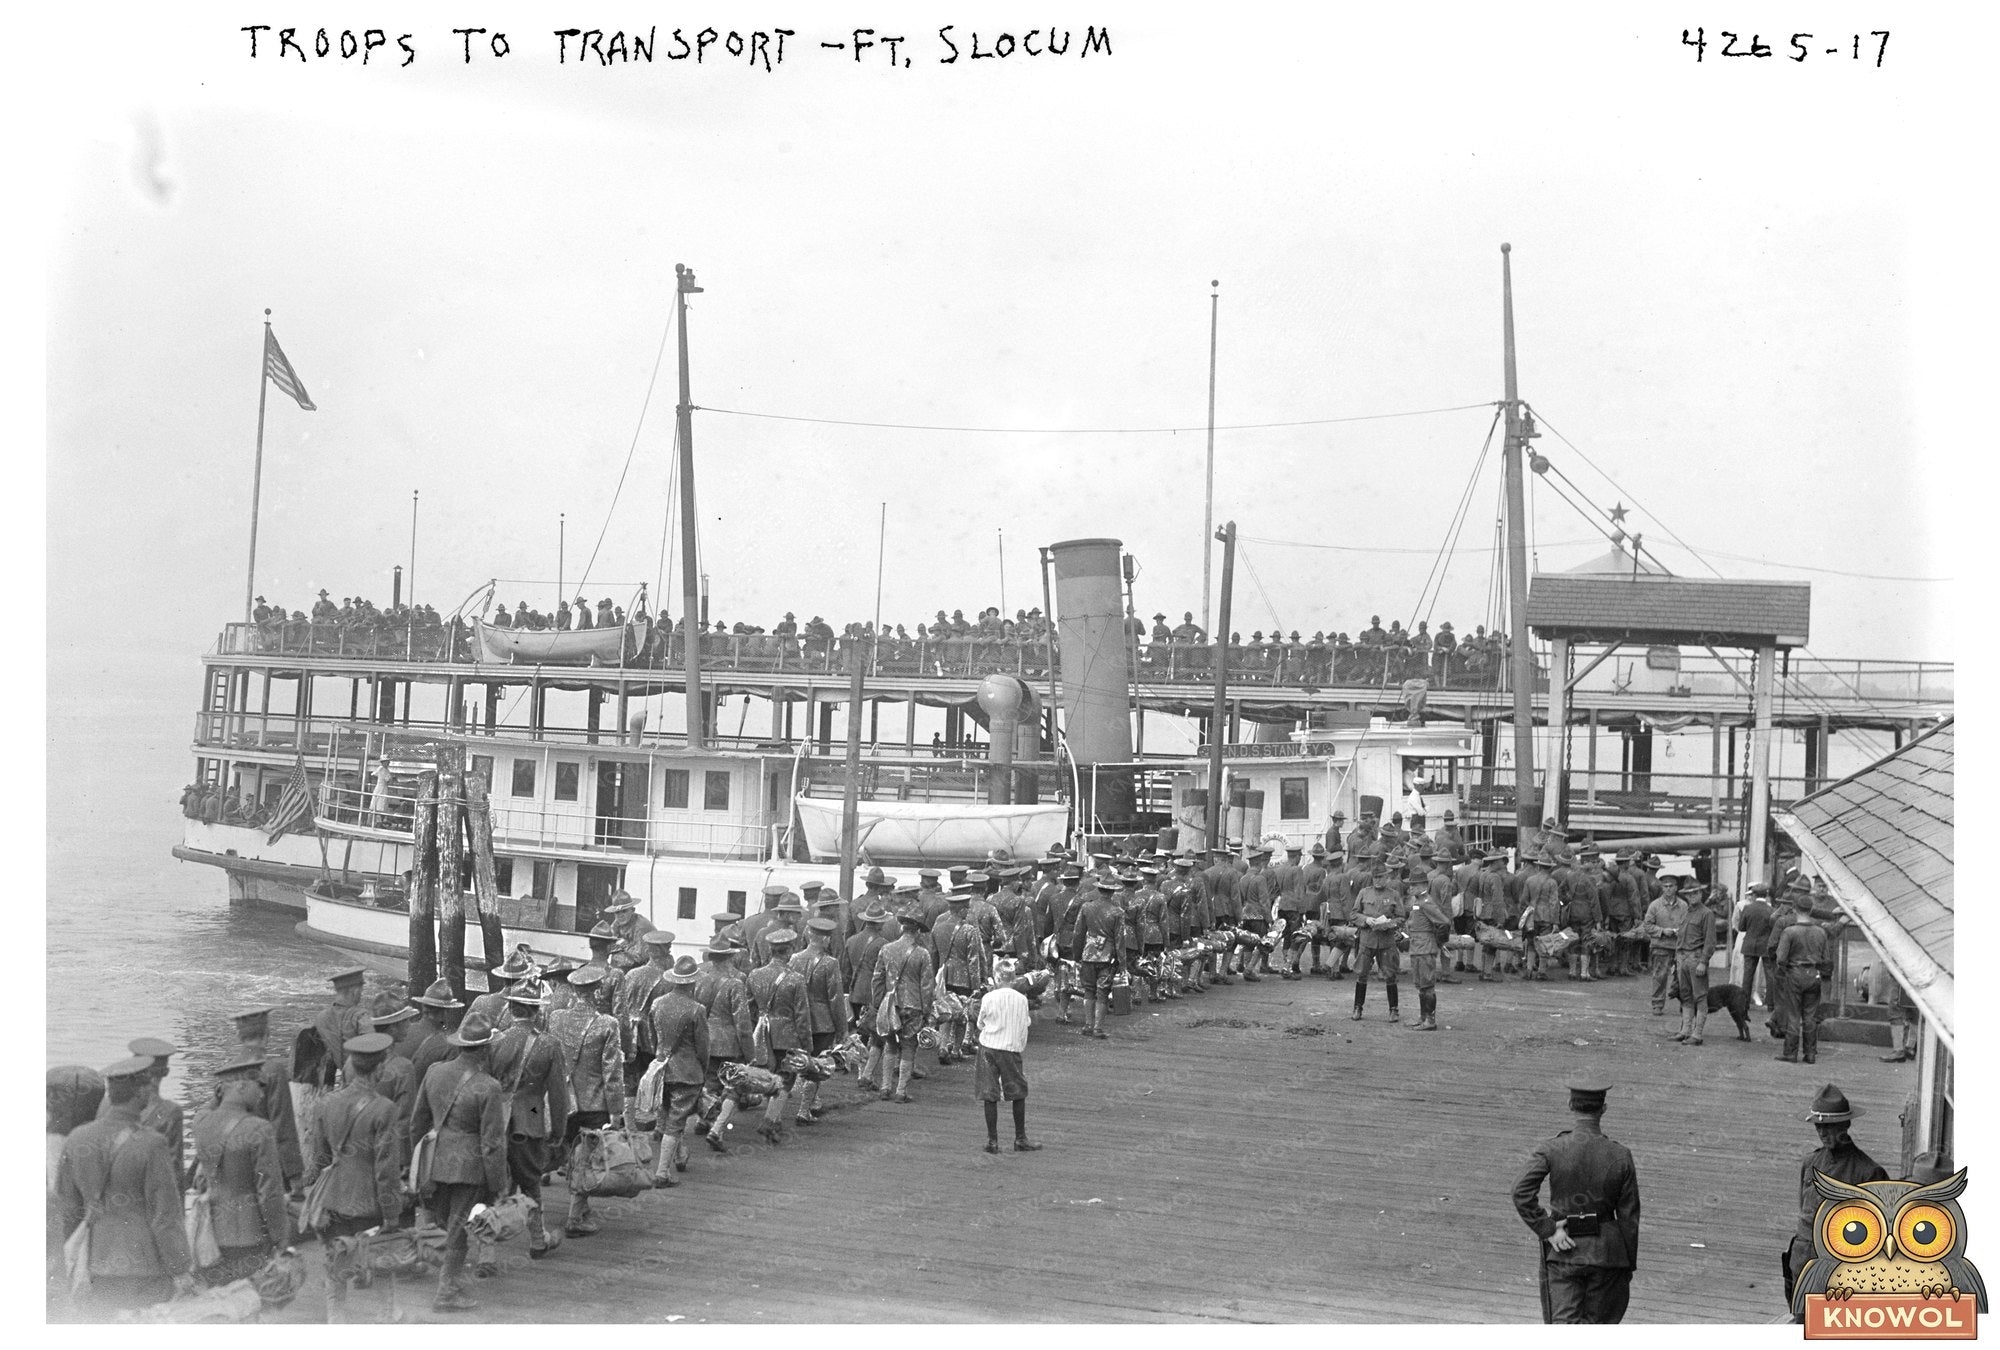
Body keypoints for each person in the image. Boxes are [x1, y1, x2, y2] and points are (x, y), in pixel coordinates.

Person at [57, 1055, 194, 1314]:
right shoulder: (152, 1144)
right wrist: (181, 1267)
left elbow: (67, 1212)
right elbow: (165, 1217)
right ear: (142, 1091)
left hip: (96, 1264)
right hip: (145, 1268)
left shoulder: (76, 1138)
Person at [1512, 1081, 1641, 1324]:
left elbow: (1520, 1190)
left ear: (1570, 1105)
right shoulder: (1620, 1155)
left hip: (1564, 1249)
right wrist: (1627, 1265)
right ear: (1604, 1109)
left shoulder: (1552, 1148)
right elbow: (1629, 1216)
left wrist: (1547, 1228)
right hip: (1607, 1253)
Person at [410, 1011, 506, 1313]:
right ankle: (446, 1293)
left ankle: (442, 1278)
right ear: (485, 1049)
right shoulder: (489, 1086)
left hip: (435, 1160)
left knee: (441, 1223)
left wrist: (418, 1159)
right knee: (457, 1231)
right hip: (468, 1168)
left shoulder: (435, 1072)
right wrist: (497, 1184)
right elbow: (492, 1143)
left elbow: (417, 1122)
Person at [308, 1032, 406, 1322]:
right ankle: (385, 1319)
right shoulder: (384, 1109)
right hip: (369, 1204)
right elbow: (385, 1169)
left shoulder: (325, 1104)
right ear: (379, 1069)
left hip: (333, 1200)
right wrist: (392, 1214)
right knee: (379, 1264)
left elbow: (320, 1159)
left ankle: (335, 1323)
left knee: (336, 1264)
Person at [1783, 1084, 1887, 1309]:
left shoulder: (1868, 1172)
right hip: (1802, 1263)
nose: (1823, 1132)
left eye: (1830, 1126)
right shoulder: (1811, 1163)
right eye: (1819, 1126)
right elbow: (1803, 1210)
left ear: (1846, 1124)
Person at [488, 979, 570, 1261]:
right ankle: (537, 1239)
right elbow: (558, 1095)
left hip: (496, 1120)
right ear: (537, 1011)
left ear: (510, 1009)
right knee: (531, 1181)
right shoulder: (549, 1044)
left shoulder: (494, 1040)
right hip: (530, 1117)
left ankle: (487, 1249)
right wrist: (558, 1130)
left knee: (495, 1183)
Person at [191, 1052, 290, 1284]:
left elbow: (212, 1107)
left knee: (218, 1303)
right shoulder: (259, 1128)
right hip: (249, 1234)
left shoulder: (201, 1121)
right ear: (243, 1086)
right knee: (249, 1301)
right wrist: (280, 1236)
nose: (262, 1094)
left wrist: (221, 1094)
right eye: (259, 1086)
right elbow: (270, 1192)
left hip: (208, 1233)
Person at [548, 966, 624, 1221]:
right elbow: (612, 1072)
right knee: (585, 1157)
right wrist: (616, 1111)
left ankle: (578, 1206)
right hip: (594, 1102)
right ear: (599, 990)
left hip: (563, 1100)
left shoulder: (555, 1017)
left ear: (573, 990)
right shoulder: (608, 1024)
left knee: (570, 1150)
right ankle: (574, 1216)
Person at [745, 926, 811, 1145]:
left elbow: (750, 1008)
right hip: (787, 1034)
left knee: (771, 1076)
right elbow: (801, 1015)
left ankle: (776, 1119)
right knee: (786, 1079)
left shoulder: (755, 975)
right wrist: (807, 1044)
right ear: (789, 950)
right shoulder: (796, 979)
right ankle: (770, 1120)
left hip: (762, 1033)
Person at [646, 956, 709, 1184]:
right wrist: (703, 1070)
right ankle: (662, 1172)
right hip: (687, 1072)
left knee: (670, 1113)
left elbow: (653, 1038)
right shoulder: (697, 1009)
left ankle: (680, 1155)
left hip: (662, 1069)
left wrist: (660, 1057)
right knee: (676, 1119)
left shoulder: (657, 1004)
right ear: (692, 983)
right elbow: (703, 1048)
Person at [975, 960, 1043, 1154]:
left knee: (990, 1094)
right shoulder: (1021, 999)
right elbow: (1026, 1023)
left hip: (989, 1047)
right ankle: (1020, 1138)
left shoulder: (989, 997)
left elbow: (980, 1023)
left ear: (997, 977)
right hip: (1011, 1049)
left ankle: (992, 1141)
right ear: (1013, 979)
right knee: (1018, 1092)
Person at [790, 916, 848, 1126]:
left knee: (803, 1060)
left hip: (798, 1019)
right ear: (825, 940)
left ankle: (812, 1101)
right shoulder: (830, 963)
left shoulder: (794, 959)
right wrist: (842, 1029)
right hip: (822, 1022)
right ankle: (804, 1110)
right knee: (816, 1066)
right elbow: (835, 998)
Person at [872, 912, 936, 1101]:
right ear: (916, 932)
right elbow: (927, 986)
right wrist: (927, 1011)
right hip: (913, 1005)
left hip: (890, 1004)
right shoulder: (922, 953)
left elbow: (878, 978)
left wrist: (878, 1003)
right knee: (909, 1046)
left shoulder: (886, 949)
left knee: (890, 1043)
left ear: (902, 928)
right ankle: (901, 1091)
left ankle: (885, 1087)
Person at [1772, 887, 1832, 1064]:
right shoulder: (1821, 932)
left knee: (1793, 1015)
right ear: (1811, 909)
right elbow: (1826, 958)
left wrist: (1785, 969)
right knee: (1810, 1015)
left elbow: (1780, 958)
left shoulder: (1790, 932)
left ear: (1795, 909)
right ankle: (1810, 1053)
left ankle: (1790, 1053)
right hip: (1814, 974)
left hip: (1794, 973)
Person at [1074, 876, 1128, 1040]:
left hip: (1088, 953)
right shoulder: (1117, 912)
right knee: (1102, 992)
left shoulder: (1086, 907)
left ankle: (1088, 1025)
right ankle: (1098, 1027)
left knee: (1088, 990)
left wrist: (1077, 954)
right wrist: (1122, 962)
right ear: (1112, 892)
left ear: (1099, 889)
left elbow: (1078, 933)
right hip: (1107, 956)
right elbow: (1120, 939)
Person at [1351, 860, 1406, 1022]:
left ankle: (1394, 1010)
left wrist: (1388, 924)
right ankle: (1357, 1008)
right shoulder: (1364, 893)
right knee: (1361, 974)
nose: (1378, 880)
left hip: (1386, 941)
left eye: (1381, 877)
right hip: (1367, 940)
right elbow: (1354, 914)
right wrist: (1366, 920)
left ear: (1387, 877)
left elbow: (1401, 917)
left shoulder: (1393, 894)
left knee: (1390, 975)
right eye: (1375, 877)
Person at [1405, 864, 1453, 1031]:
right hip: (1417, 947)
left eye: (1415, 885)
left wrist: (1438, 941)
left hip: (1425, 947)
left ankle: (1430, 1020)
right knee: (1420, 984)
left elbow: (1444, 922)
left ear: (1424, 885)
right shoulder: (1418, 901)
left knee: (1427, 985)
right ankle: (1423, 1016)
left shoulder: (1426, 902)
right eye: (1410, 885)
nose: (1411, 888)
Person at [1672, 881, 1718, 1046]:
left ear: (1701, 893)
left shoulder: (1707, 914)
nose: (1692, 896)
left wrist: (1703, 962)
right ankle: (1685, 1030)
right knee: (1685, 995)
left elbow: (1710, 941)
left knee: (1699, 996)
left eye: (1695, 893)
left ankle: (1697, 1034)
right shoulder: (1686, 913)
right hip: (1682, 958)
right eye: (1689, 894)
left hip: (1696, 958)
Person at [1640, 873, 1690, 1016]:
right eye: (1665, 886)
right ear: (1662, 888)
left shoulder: (1683, 905)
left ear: (1676, 888)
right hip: (1660, 946)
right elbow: (1647, 926)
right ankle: (1657, 1003)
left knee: (1682, 976)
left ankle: (1684, 1004)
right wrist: (1662, 931)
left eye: (1671, 886)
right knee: (1659, 975)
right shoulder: (1655, 906)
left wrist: (1681, 931)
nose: (1668, 889)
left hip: (1679, 946)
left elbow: (1688, 924)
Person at [1733, 884, 1775, 1008]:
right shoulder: (1771, 910)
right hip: (1766, 945)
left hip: (1750, 944)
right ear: (1766, 895)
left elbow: (1741, 927)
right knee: (1769, 974)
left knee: (1748, 975)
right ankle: (1770, 1003)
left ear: (1754, 895)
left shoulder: (1747, 908)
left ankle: (1745, 1003)